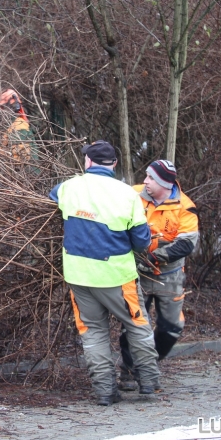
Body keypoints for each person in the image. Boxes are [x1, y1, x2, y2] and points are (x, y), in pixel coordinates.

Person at [49, 140, 162, 406]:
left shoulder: (68, 187)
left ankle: (105, 392)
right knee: (138, 326)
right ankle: (148, 384)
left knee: (93, 333)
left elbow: (53, 196)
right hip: (117, 277)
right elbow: (141, 242)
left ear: (87, 162)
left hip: (78, 275)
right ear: (113, 164)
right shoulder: (127, 195)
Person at [119, 159, 199, 391]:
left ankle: (147, 364)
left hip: (169, 276)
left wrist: (154, 258)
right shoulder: (133, 194)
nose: (145, 181)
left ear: (165, 183)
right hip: (137, 275)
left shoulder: (185, 207)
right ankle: (129, 371)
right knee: (132, 323)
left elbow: (186, 245)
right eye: (146, 176)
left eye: (151, 178)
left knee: (171, 326)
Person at [0, 89, 39, 167]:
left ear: (14, 107)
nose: (0, 111)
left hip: (27, 176)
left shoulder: (19, 125)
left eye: (3, 107)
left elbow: (21, 160)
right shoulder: (11, 126)